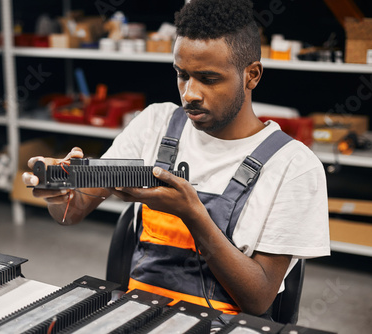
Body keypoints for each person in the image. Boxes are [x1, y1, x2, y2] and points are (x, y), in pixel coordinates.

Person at [23, 0, 330, 317]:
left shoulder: (293, 166)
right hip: (138, 315)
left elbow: (258, 299)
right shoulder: (154, 124)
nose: (190, 93)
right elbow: (71, 213)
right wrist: (58, 193)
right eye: (182, 74)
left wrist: (193, 214)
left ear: (252, 75)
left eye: (208, 78)